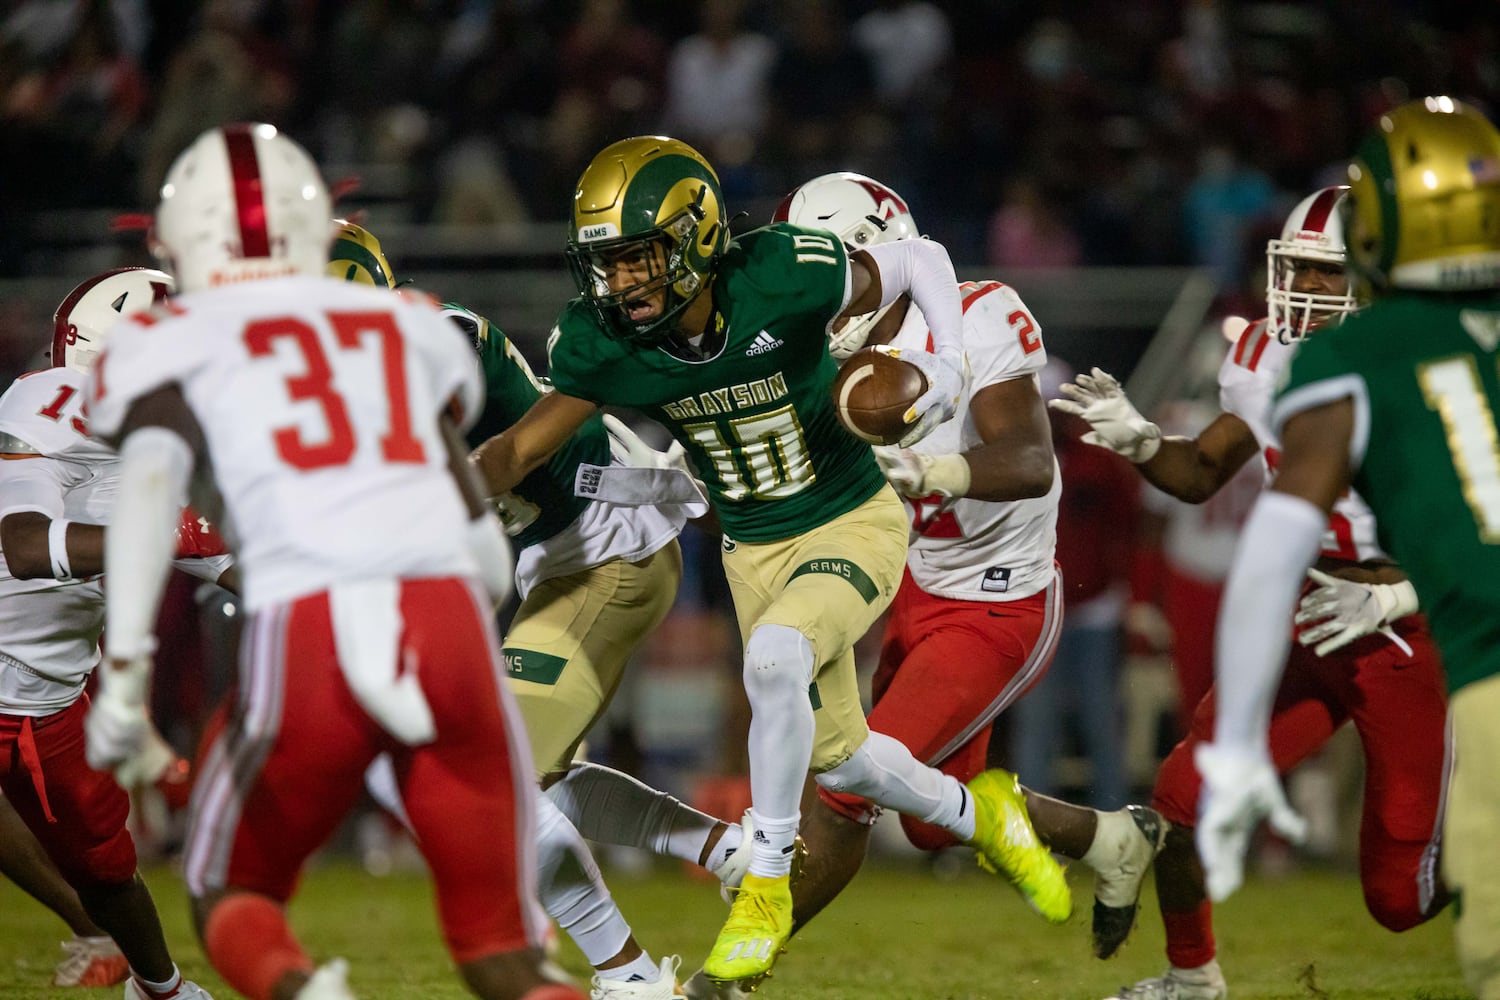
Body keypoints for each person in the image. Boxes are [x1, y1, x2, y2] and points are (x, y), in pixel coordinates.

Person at [469, 135, 1067, 992]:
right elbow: (517, 449)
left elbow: (919, 257)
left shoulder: (781, 273)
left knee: (775, 658)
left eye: (639, 257)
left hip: (850, 518)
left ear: (696, 240)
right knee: (847, 760)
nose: (623, 282)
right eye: (608, 262)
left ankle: (764, 880)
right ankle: (986, 820)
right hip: (754, 548)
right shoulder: (605, 342)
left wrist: (943, 361)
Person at [79, 122, 583, 1000]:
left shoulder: (176, 331)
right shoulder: (409, 324)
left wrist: (124, 677)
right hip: (449, 621)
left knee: (228, 890)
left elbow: (150, 493)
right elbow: (478, 536)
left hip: (312, 621)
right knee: (505, 955)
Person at [1052, 182, 1452, 1000]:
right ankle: (1192, 979)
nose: (1303, 291)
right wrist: (1141, 441)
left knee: (1397, 901)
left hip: (1404, 628)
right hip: (1305, 611)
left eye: (1328, 275)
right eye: (1297, 270)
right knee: (1181, 796)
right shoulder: (1263, 357)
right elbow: (1201, 472)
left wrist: (1390, 601)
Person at [330, 221, 747, 1000]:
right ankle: (728, 853)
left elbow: (479, 462)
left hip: (606, 550)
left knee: (497, 781)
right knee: (535, 779)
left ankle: (628, 978)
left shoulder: (434, 339)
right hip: (562, 561)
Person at [764, 171, 1166, 970]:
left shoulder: (979, 314)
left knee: (848, 788)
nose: (818, 290)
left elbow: (1028, 461)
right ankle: (1113, 837)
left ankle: (734, 966)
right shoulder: (822, 352)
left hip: (999, 601)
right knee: (924, 817)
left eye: (831, 266)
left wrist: (932, 474)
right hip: (916, 582)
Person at [1192, 98, 1500, 1000]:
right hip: (1445, 637)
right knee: (1410, 903)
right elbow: (1277, 544)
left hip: (1456, 638)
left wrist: (1394, 599)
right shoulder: (1329, 363)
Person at [0, 266, 224, 1000]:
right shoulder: (39, 412)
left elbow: (224, 560)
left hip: (43, 697)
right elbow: (27, 547)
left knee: (106, 867)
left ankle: (156, 986)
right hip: (15, 680)